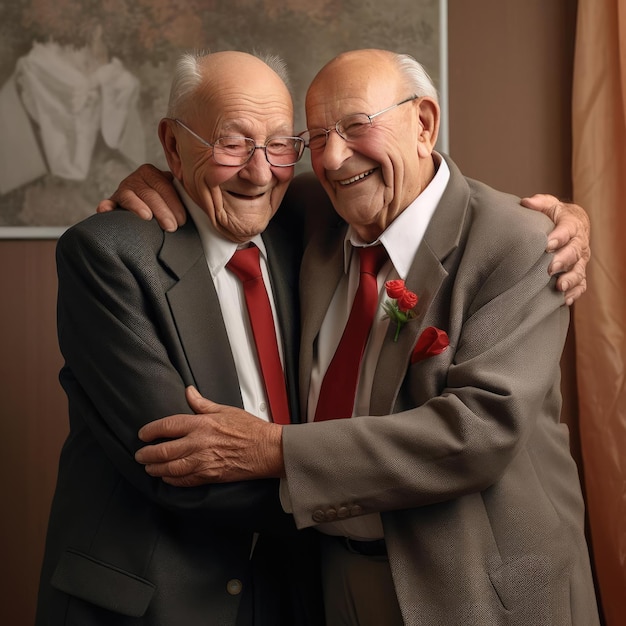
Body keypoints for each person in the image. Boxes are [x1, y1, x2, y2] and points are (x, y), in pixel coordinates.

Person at [132, 49, 599, 626]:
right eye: (318, 136)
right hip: (330, 582)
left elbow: (480, 432)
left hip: (479, 588)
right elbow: (228, 180)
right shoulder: (311, 210)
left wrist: (271, 449)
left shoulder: (524, 245)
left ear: (423, 123)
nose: (331, 157)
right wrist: (154, 181)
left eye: (356, 127)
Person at [35, 50, 323, 626]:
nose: (261, 172)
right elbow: (180, 469)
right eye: (233, 143)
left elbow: (407, 180)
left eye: (280, 144)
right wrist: (371, 493)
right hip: (148, 604)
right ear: (172, 145)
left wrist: (556, 217)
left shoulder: (306, 225)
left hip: (291, 594)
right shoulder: (108, 254)